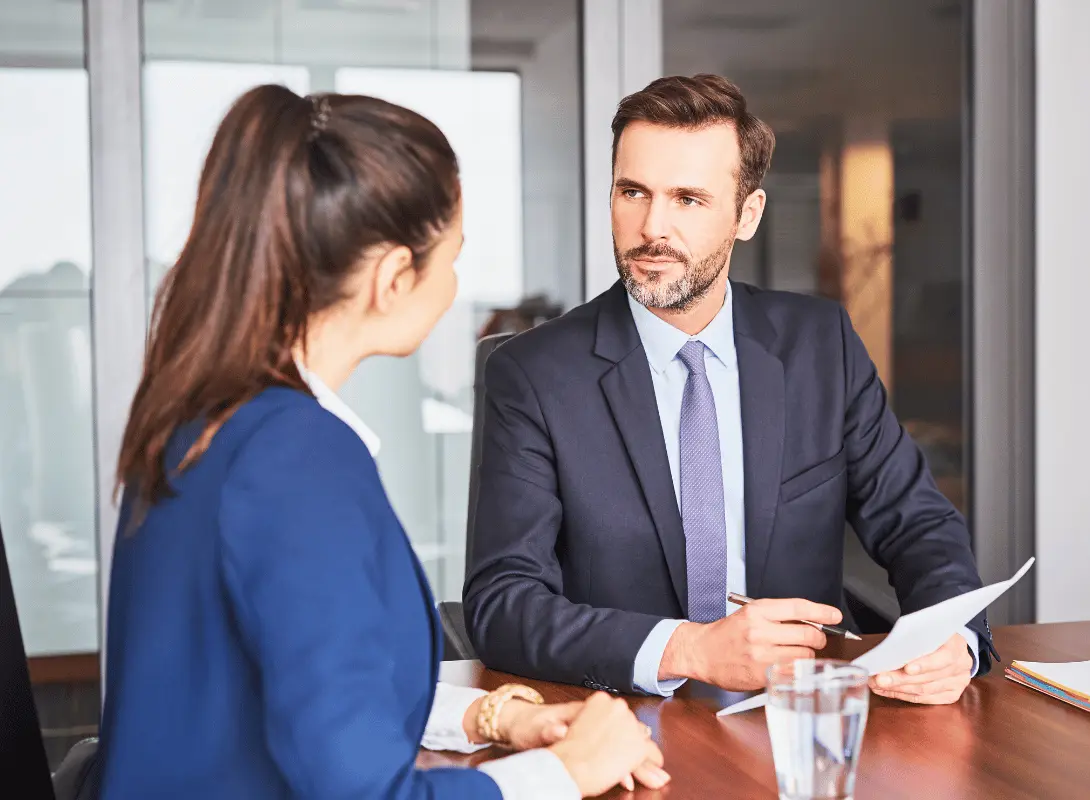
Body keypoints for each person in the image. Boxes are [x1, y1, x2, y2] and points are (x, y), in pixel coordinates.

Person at [96, 85, 668, 799]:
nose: (455, 287)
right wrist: (566, 772)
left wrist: (500, 717)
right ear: (394, 277)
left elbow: (313, 688)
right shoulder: (295, 459)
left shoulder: (204, 417)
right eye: (451, 259)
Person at [465, 74, 999, 704]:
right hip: (623, 719)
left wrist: (952, 639)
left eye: (688, 199)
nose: (651, 227)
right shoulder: (531, 374)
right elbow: (503, 602)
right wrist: (689, 648)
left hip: (798, 715)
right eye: (632, 191)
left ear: (748, 215)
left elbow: (917, 523)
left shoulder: (819, 344)